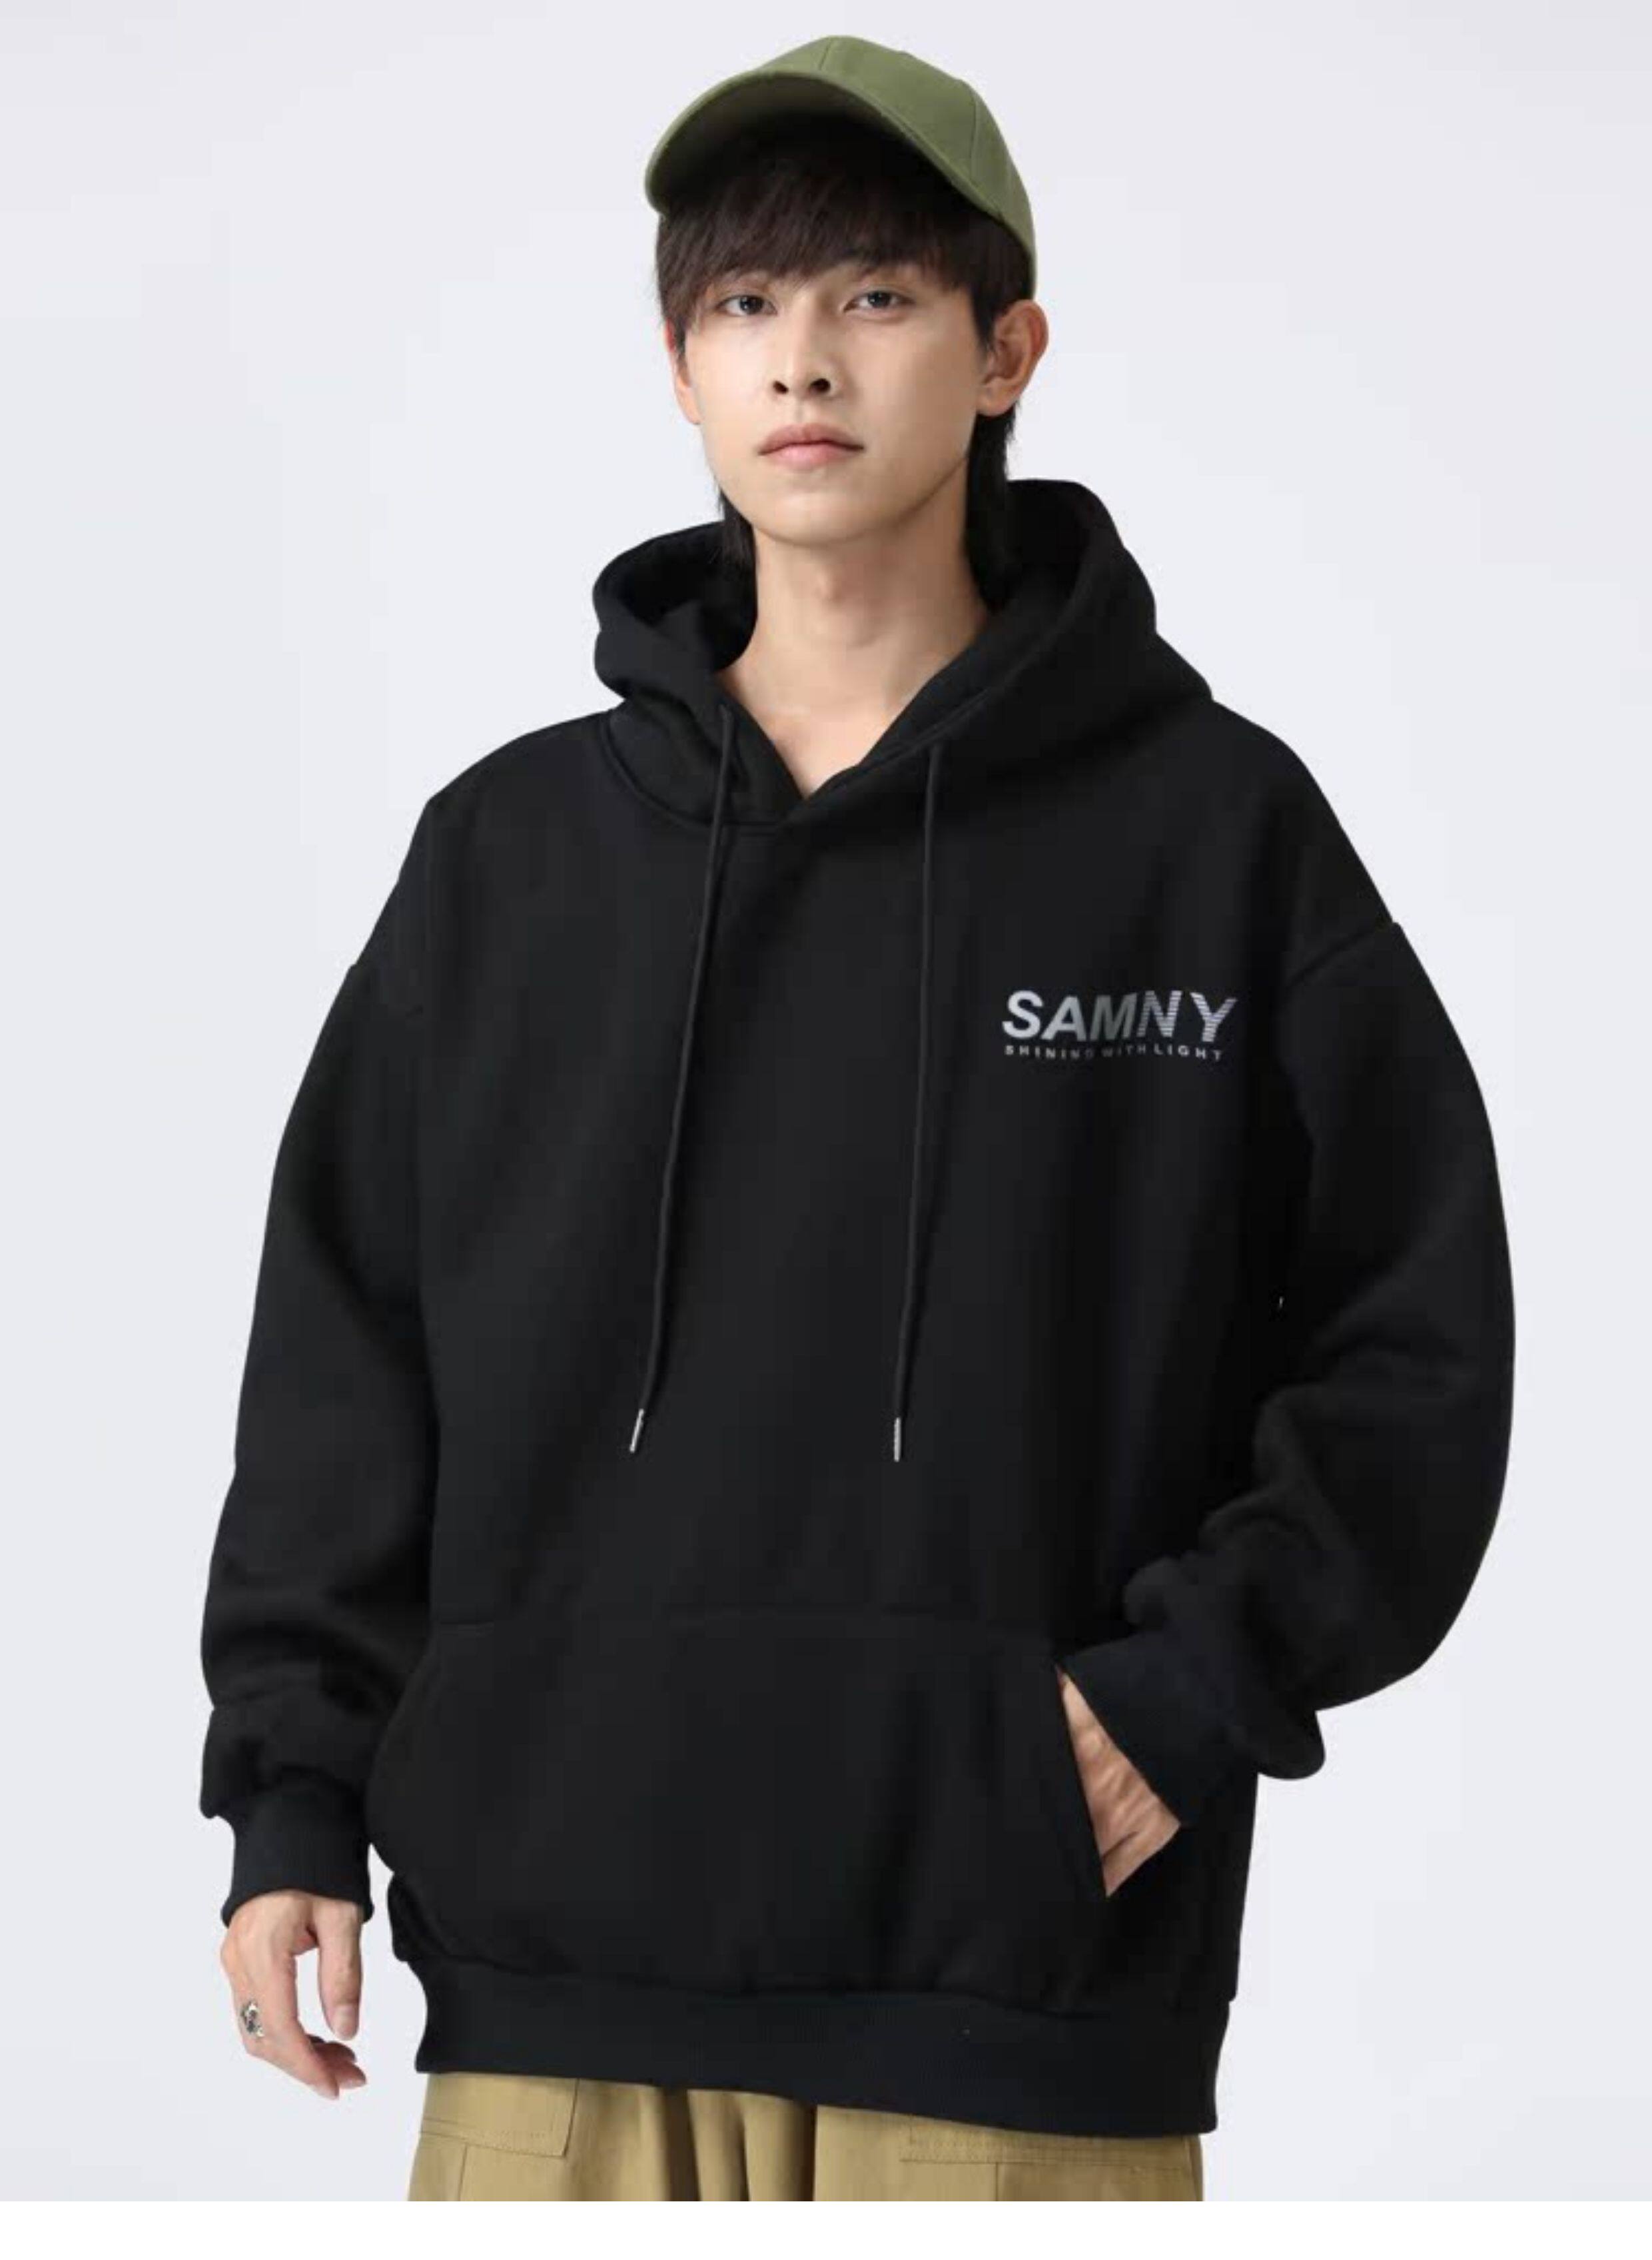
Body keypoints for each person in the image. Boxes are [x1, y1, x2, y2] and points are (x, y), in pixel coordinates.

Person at [197, 35, 1516, 2203]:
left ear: (1006, 354)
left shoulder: (1211, 836)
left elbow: (1416, 1338)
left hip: (1017, 1989)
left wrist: (1189, 1693)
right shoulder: (508, 860)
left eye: (878, 297)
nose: (803, 359)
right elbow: (345, 1361)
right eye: (745, 305)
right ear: (682, 368)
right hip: (555, 1987)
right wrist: (291, 1794)